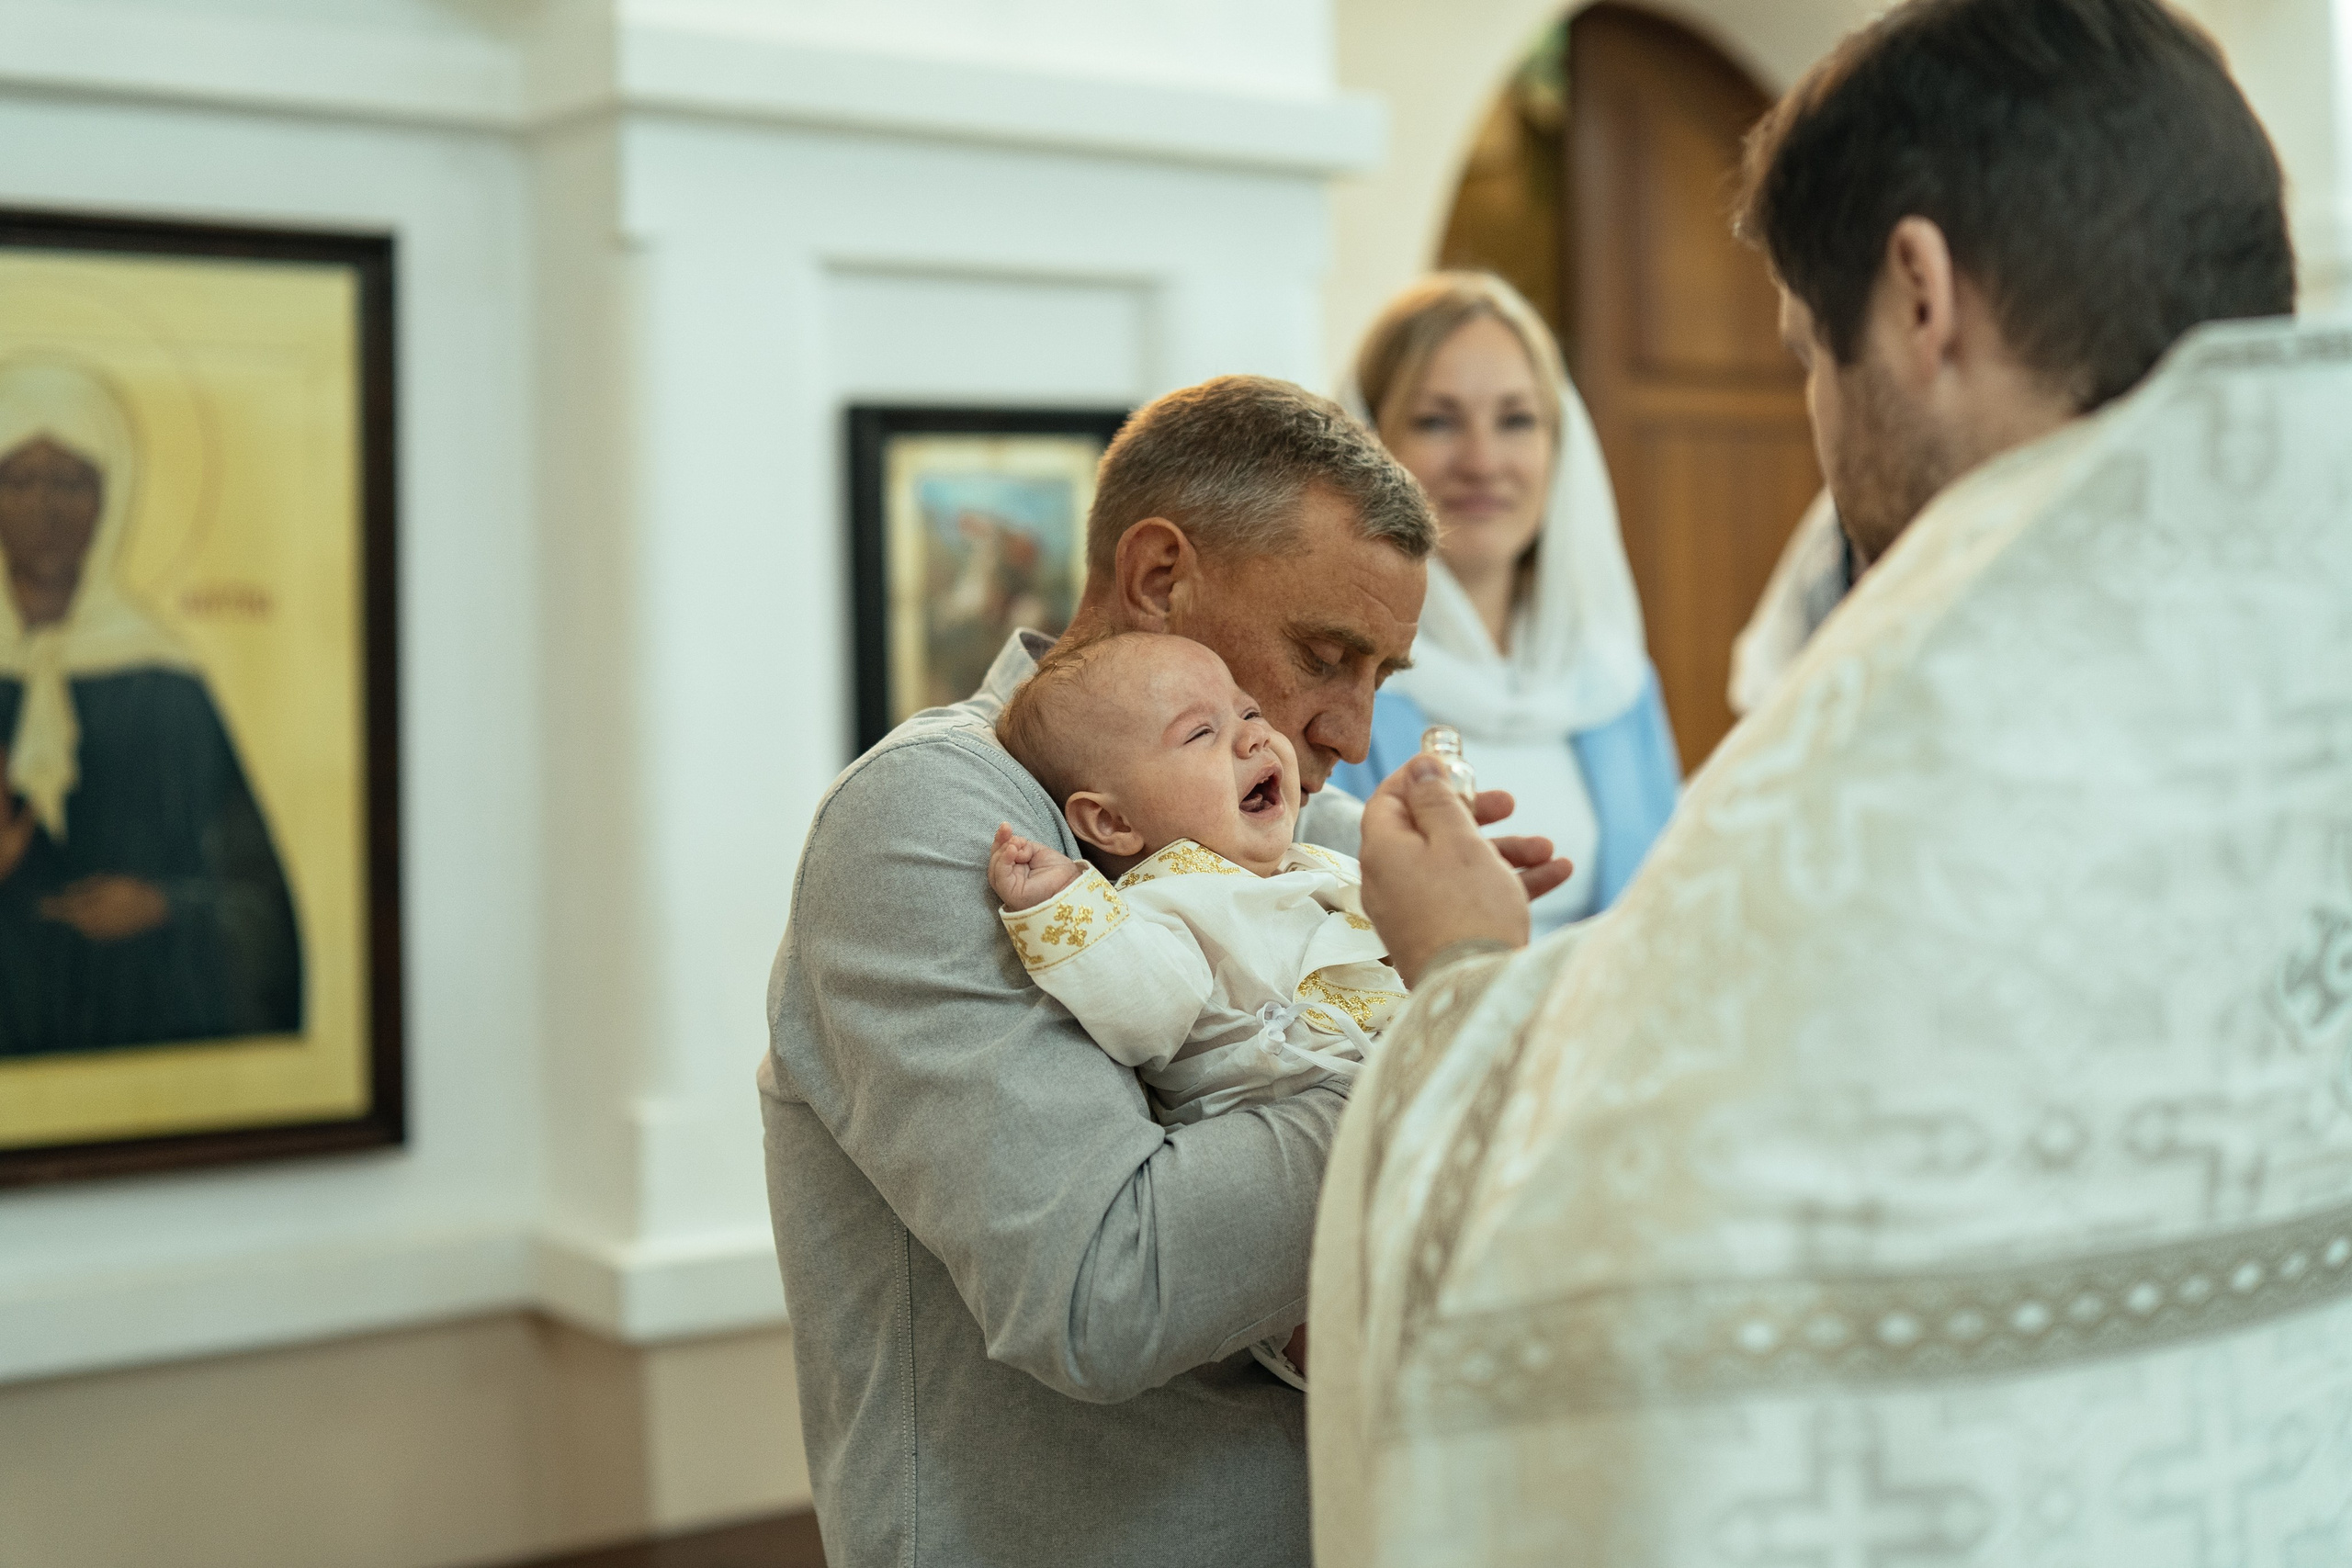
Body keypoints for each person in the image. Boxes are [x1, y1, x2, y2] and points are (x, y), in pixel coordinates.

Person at [1309, 1, 2337, 1562]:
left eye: (1805, 348)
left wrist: (1455, 979)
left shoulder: (1930, 705)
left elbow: (1614, 1221)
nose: (1814, 415)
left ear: (1917, 296)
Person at [761, 376, 1568, 1567]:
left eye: (1383, 676)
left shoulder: (1326, 843)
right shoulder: (933, 812)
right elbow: (1102, 1287)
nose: (1350, 731)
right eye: (1322, 654)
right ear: (1156, 578)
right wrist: (1447, 1015)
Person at [1328, 274, 1678, 929]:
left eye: (1517, 419)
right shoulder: (1328, 681)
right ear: (1368, 445)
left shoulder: (1618, 683)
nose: (1483, 460)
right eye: (1436, 420)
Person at [0, 356, 301, 1056]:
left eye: (71, 482)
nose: (44, 508)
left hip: (150, 1011)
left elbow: (258, 896)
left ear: (113, 497)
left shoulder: (169, 681)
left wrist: (166, 904)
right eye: (18, 480)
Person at [989, 632, 1404, 1128]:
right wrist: (1060, 902)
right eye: (1200, 733)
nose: (1255, 737)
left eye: (1250, 713)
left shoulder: (1311, 863)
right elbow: (1142, 1011)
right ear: (1112, 823)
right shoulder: (1160, 906)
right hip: (1309, 1121)